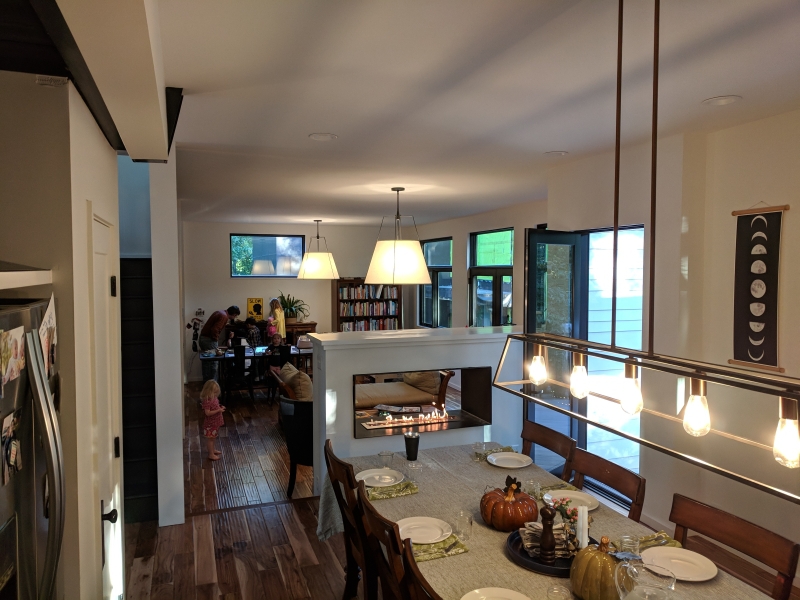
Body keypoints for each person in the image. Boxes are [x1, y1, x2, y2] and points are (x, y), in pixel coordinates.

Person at [199, 305, 240, 382]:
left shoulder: (220, 312)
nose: (234, 318)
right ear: (234, 314)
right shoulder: (224, 316)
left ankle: (207, 385)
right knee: (213, 363)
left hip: (203, 338)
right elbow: (215, 330)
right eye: (235, 316)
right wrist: (216, 341)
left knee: (206, 363)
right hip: (209, 340)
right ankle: (213, 385)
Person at [200, 380, 225, 461]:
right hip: (210, 424)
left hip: (215, 422)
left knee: (213, 438)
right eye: (214, 392)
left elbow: (215, 407)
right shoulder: (207, 401)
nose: (215, 394)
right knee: (211, 439)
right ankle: (211, 454)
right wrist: (218, 410)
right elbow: (207, 413)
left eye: (216, 392)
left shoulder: (214, 398)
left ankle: (213, 450)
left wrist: (220, 407)